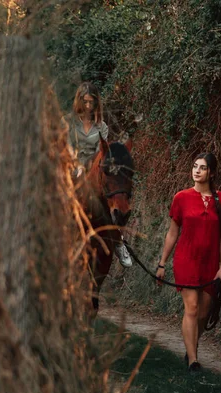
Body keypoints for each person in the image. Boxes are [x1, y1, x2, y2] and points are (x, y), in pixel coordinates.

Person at [156, 153, 221, 372]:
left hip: (210, 263)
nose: (197, 170)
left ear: (212, 172)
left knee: (203, 314)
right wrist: (162, 263)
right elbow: (172, 233)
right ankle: (193, 360)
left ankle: (192, 348)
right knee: (191, 308)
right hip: (186, 259)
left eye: (203, 167)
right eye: (194, 166)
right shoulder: (181, 197)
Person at [65, 82, 132, 268]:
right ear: (79, 101)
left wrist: (92, 166)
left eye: (92, 102)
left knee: (108, 195)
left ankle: (118, 241)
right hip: (73, 165)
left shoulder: (101, 126)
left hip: (93, 166)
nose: (88, 106)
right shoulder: (69, 123)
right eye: (85, 102)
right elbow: (68, 147)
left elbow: (100, 152)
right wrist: (76, 164)